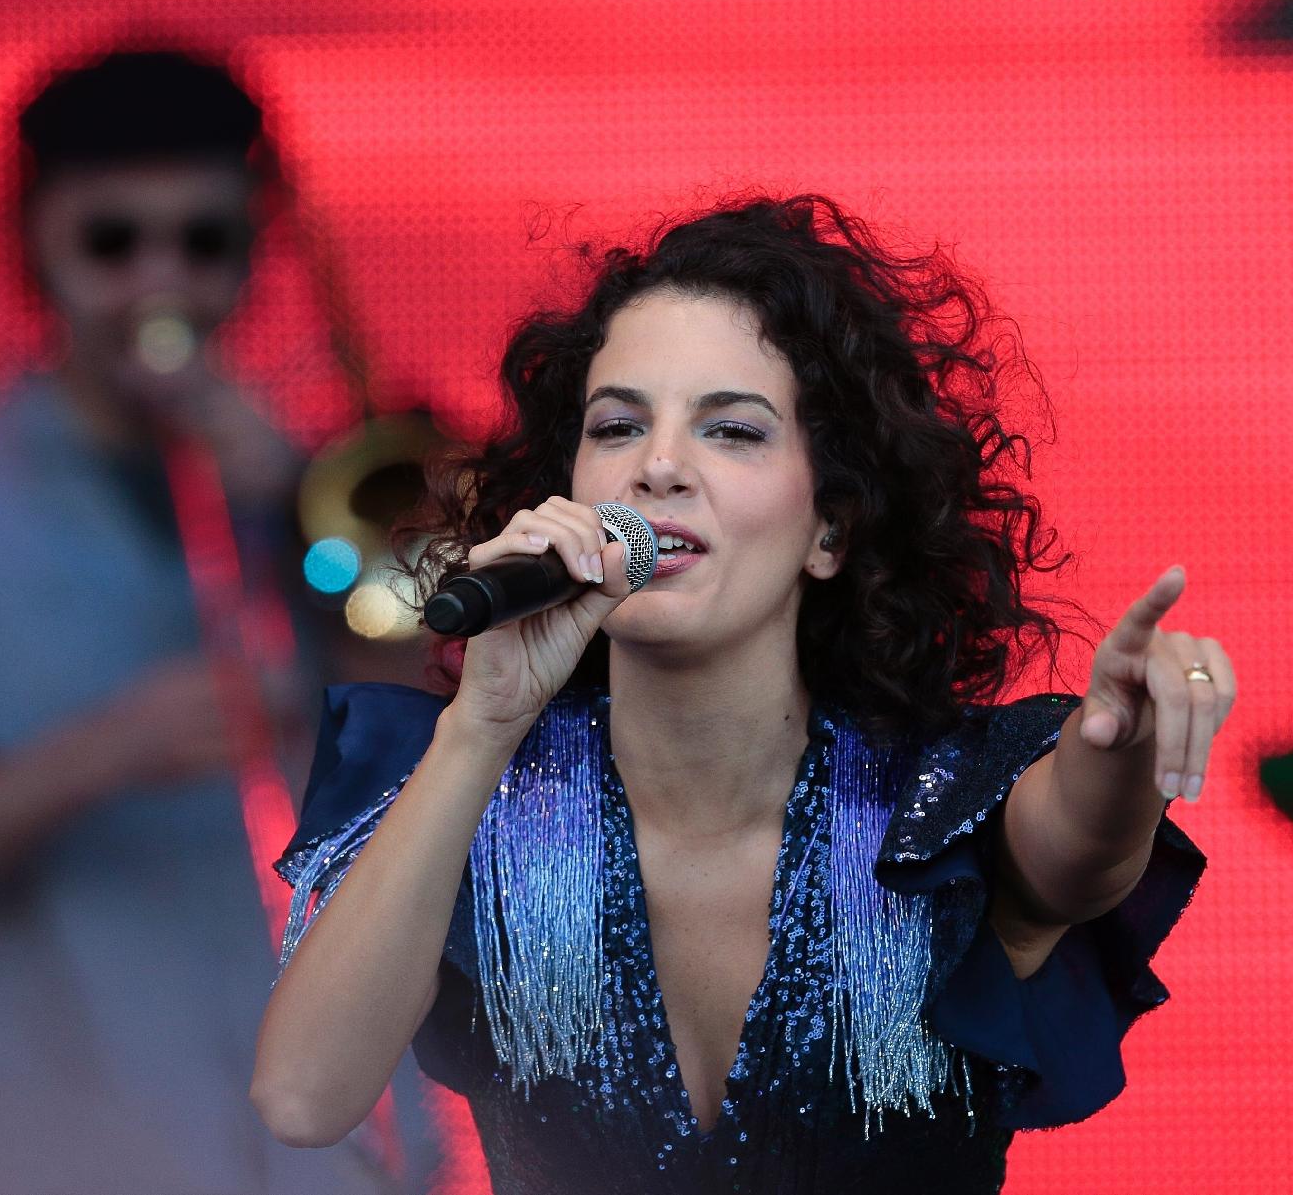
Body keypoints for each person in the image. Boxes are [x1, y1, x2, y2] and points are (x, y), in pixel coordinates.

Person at [249, 196, 1229, 1193]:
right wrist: (482, 723)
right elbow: (305, 1097)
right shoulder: (468, 799)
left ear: (830, 531)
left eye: (732, 431)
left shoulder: (942, 801)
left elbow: (1083, 844)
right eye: (619, 425)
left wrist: (1124, 744)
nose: (660, 465)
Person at [0, 48, 430, 1194]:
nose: (162, 286)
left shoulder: (323, 490)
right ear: (31, 245)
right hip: (67, 1151)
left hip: (352, 1157)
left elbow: (454, 770)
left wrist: (302, 522)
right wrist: (100, 755)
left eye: (206, 243)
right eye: (111, 244)